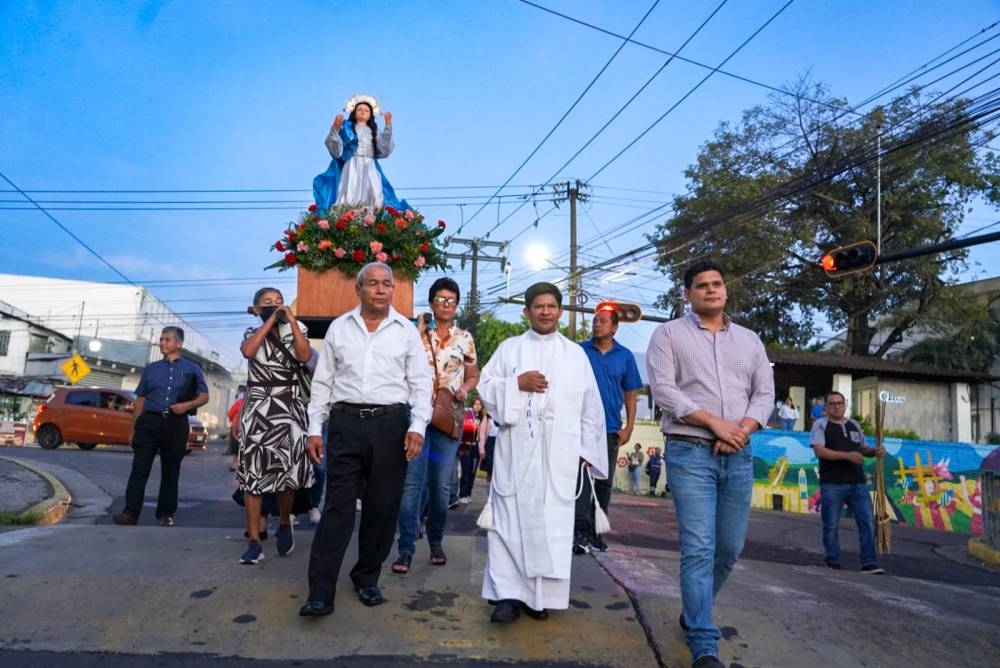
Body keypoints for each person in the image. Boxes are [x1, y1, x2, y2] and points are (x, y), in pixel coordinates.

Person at [646, 260, 774, 668]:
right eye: (701, 286)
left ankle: (694, 611)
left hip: (739, 452)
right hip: (690, 451)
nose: (711, 290)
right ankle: (703, 642)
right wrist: (716, 425)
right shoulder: (668, 335)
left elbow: (764, 394)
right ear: (687, 295)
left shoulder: (750, 341)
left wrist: (741, 430)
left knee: (729, 548)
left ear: (726, 290)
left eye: (717, 283)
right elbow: (664, 391)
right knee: (698, 549)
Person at [299, 262, 432, 618]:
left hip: (390, 427)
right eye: (372, 283)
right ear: (358, 289)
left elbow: (421, 383)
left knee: (382, 508)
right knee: (337, 509)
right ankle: (320, 592)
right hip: (344, 424)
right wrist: (315, 428)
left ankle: (366, 578)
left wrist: (417, 426)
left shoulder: (405, 332)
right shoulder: (340, 329)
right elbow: (323, 383)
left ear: (392, 289)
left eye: (386, 283)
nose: (380, 289)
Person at [477, 282, 607, 624]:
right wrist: (515, 385)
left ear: (560, 312)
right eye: (538, 306)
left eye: (551, 306)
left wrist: (586, 449)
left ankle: (539, 597)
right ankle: (506, 596)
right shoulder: (509, 348)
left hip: (559, 454)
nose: (545, 311)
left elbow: (591, 406)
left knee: (552, 525)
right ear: (527, 311)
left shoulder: (575, 355)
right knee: (509, 522)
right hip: (516, 449)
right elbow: (485, 387)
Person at [393, 277, 479, 575]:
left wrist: (465, 389)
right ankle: (405, 548)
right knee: (411, 484)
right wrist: (417, 331)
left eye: (451, 300)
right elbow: (397, 364)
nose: (446, 305)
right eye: (441, 299)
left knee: (441, 486)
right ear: (431, 303)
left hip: (447, 418)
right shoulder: (412, 333)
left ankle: (436, 541)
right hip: (414, 415)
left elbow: (472, 374)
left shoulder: (464, 338)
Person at [236, 288, 314, 565]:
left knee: (286, 471)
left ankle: (284, 522)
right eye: (267, 303)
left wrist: (291, 321)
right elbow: (248, 352)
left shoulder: (298, 328)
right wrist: (269, 320)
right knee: (254, 475)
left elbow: (304, 357)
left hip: (289, 405)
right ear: (256, 309)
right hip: (258, 405)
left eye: (278, 302)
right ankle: (254, 541)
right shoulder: (251, 331)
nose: (275, 306)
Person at [112, 326, 209, 527]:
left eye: (167, 339)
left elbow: (204, 396)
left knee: (171, 469)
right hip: (149, 421)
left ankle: (166, 513)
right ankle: (130, 513)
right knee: (140, 467)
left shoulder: (193, 369)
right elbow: (140, 398)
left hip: (176, 422)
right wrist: (134, 428)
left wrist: (187, 406)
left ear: (179, 343)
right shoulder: (151, 368)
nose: (162, 342)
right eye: (161, 339)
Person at [573, 304, 643, 554]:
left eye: (603, 321)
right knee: (581, 479)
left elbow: (631, 393)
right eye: (595, 320)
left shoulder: (625, 356)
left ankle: (595, 532)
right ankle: (578, 532)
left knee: (603, 483)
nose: (596, 324)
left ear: (614, 327)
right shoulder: (579, 351)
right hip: (580, 427)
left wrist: (629, 427)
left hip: (611, 429)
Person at [810, 391, 885, 574]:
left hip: (857, 482)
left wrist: (873, 451)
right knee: (831, 524)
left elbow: (862, 448)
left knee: (867, 522)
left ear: (845, 405)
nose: (836, 406)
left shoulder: (854, 425)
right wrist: (847, 456)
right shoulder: (820, 425)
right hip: (832, 483)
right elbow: (820, 451)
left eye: (840, 403)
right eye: (832, 404)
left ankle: (868, 562)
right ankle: (833, 560)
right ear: (826, 407)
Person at [312, 93, 408, 213]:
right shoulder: (347, 127)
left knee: (374, 190)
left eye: (366, 110)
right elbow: (336, 149)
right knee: (350, 189)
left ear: (370, 115)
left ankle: (372, 214)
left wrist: (388, 125)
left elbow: (384, 149)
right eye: (360, 109)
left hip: (369, 164)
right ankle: (347, 213)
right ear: (354, 112)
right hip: (352, 163)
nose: (363, 112)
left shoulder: (373, 130)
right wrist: (335, 129)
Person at [457, 398, 486, 504]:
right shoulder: (468, 414)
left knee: (472, 471)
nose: (477, 406)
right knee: (466, 470)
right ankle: (462, 494)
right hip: (466, 446)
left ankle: (468, 493)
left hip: (475, 448)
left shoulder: (482, 418)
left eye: (479, 405)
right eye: (476, 404)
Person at [226, 386, 246, 472]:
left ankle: (233, 465)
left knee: (233, 448)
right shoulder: (252, 402)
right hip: (246, 428)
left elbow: (230, 413)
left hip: (235, 428)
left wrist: (232, 419)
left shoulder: (239, 402)